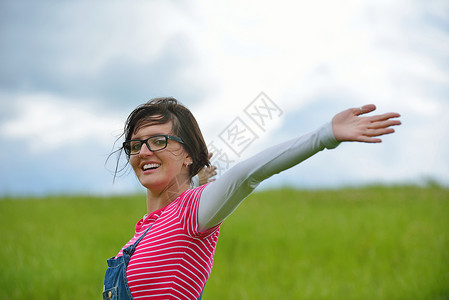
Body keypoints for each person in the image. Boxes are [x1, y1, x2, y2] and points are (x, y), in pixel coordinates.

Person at [103, 97, 401, 299]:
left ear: (188, 155)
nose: (144, 152)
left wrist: (324, 135)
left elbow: (246, 175)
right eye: (136, 144)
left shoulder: (190, 213)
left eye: (159, 141)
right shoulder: (142, 232)